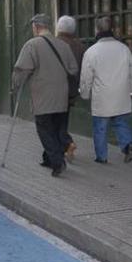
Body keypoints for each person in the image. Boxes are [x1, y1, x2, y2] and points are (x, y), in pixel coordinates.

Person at [12, 14, 79, 177]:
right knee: (56, 129)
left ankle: (57, 162)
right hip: (61, 97)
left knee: (45, 131)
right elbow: (73, 69)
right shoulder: (63, 45)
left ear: (36, 26)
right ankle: (48, 159)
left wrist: (15, 85)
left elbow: (21, 70)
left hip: (42, 97)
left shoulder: (32, 45)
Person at [79, 16, 132, 164]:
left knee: (100, 128)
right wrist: (129, 90)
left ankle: (101, 157)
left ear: (97, 30)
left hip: (102, 97)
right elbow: (131, 74)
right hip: (121, 95)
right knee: (121, 123)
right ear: (112, 30)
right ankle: (127, 145)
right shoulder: (124, 49)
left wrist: (85, 94)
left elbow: (86, 77)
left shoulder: (91, 51)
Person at [56, 15, 85, 161]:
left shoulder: (55, 43)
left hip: (55, 89)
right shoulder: (79, 45)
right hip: (72, 90)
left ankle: (67, 143)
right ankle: (66, 147)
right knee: (63, 119)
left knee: (53, 122)